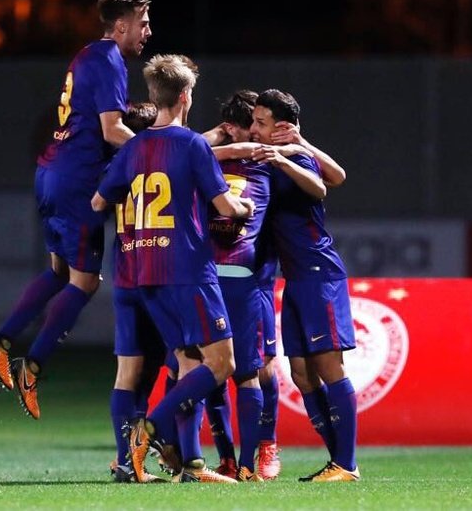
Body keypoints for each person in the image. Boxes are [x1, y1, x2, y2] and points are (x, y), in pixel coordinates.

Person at [0, 0, 152, 420]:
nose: (148, 30)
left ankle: (0, 342)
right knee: (86, 282)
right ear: (122, 23)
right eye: (144, 21)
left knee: (58, 271)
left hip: (50, 171)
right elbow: (112, 131)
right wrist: (156, 153)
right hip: (77, 180)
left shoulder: (88, 55)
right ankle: (31, 366)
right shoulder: (111, 59)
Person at [91, 54, 254, 483]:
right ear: (185, 97)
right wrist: (245, 205)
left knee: (186, 362)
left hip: (143, 271)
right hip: (187, 269)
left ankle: (188, 464)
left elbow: (98, 201)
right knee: (221, 364)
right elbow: (225, 207)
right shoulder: (193, 144)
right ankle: (151, 428)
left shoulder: (135, 147)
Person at [250, 89, 360, 482]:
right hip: (294, 279)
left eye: (261, 122)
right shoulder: (272, 157)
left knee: (329, 367)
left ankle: (347, 464)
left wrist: (291, 152)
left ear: (281, 127)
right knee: (300, 373)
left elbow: (323, 185)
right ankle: (337, 460)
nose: (254, 129)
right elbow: (338, 173)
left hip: (318, 273)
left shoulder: (293, 158)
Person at [202, 90, 274, 482]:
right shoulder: (268, 164)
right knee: (246, 373)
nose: (260, 135)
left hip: (211, 278)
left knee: (216, 369)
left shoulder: (203, 163)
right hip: (238, 278)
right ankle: (243, 464)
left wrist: (220, 141)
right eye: (256, 126)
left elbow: (179, 150)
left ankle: (242, 456)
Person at [108, 102, 167, 483]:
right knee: (177, 365)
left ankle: (126, 458)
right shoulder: (161, 166)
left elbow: (98, 202)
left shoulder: (118, 167)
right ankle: (175, 456)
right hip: (158, 277)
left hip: (124, 275)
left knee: (129, 373)